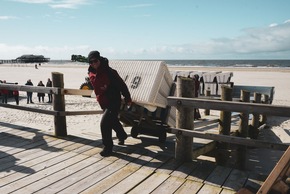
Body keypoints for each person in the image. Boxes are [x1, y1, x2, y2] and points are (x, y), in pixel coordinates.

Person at [87, 50, 132, 157]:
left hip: (114, 100)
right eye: (91, 62)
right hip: (102, 101)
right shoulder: (91, 72)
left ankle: (108, 147)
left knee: (105, 123)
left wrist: (127, 97)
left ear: (100, 59)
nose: (94, 63)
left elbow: (122, 85)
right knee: (113, 121)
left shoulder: (109, 72)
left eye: (95, 61)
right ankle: (122, 135)